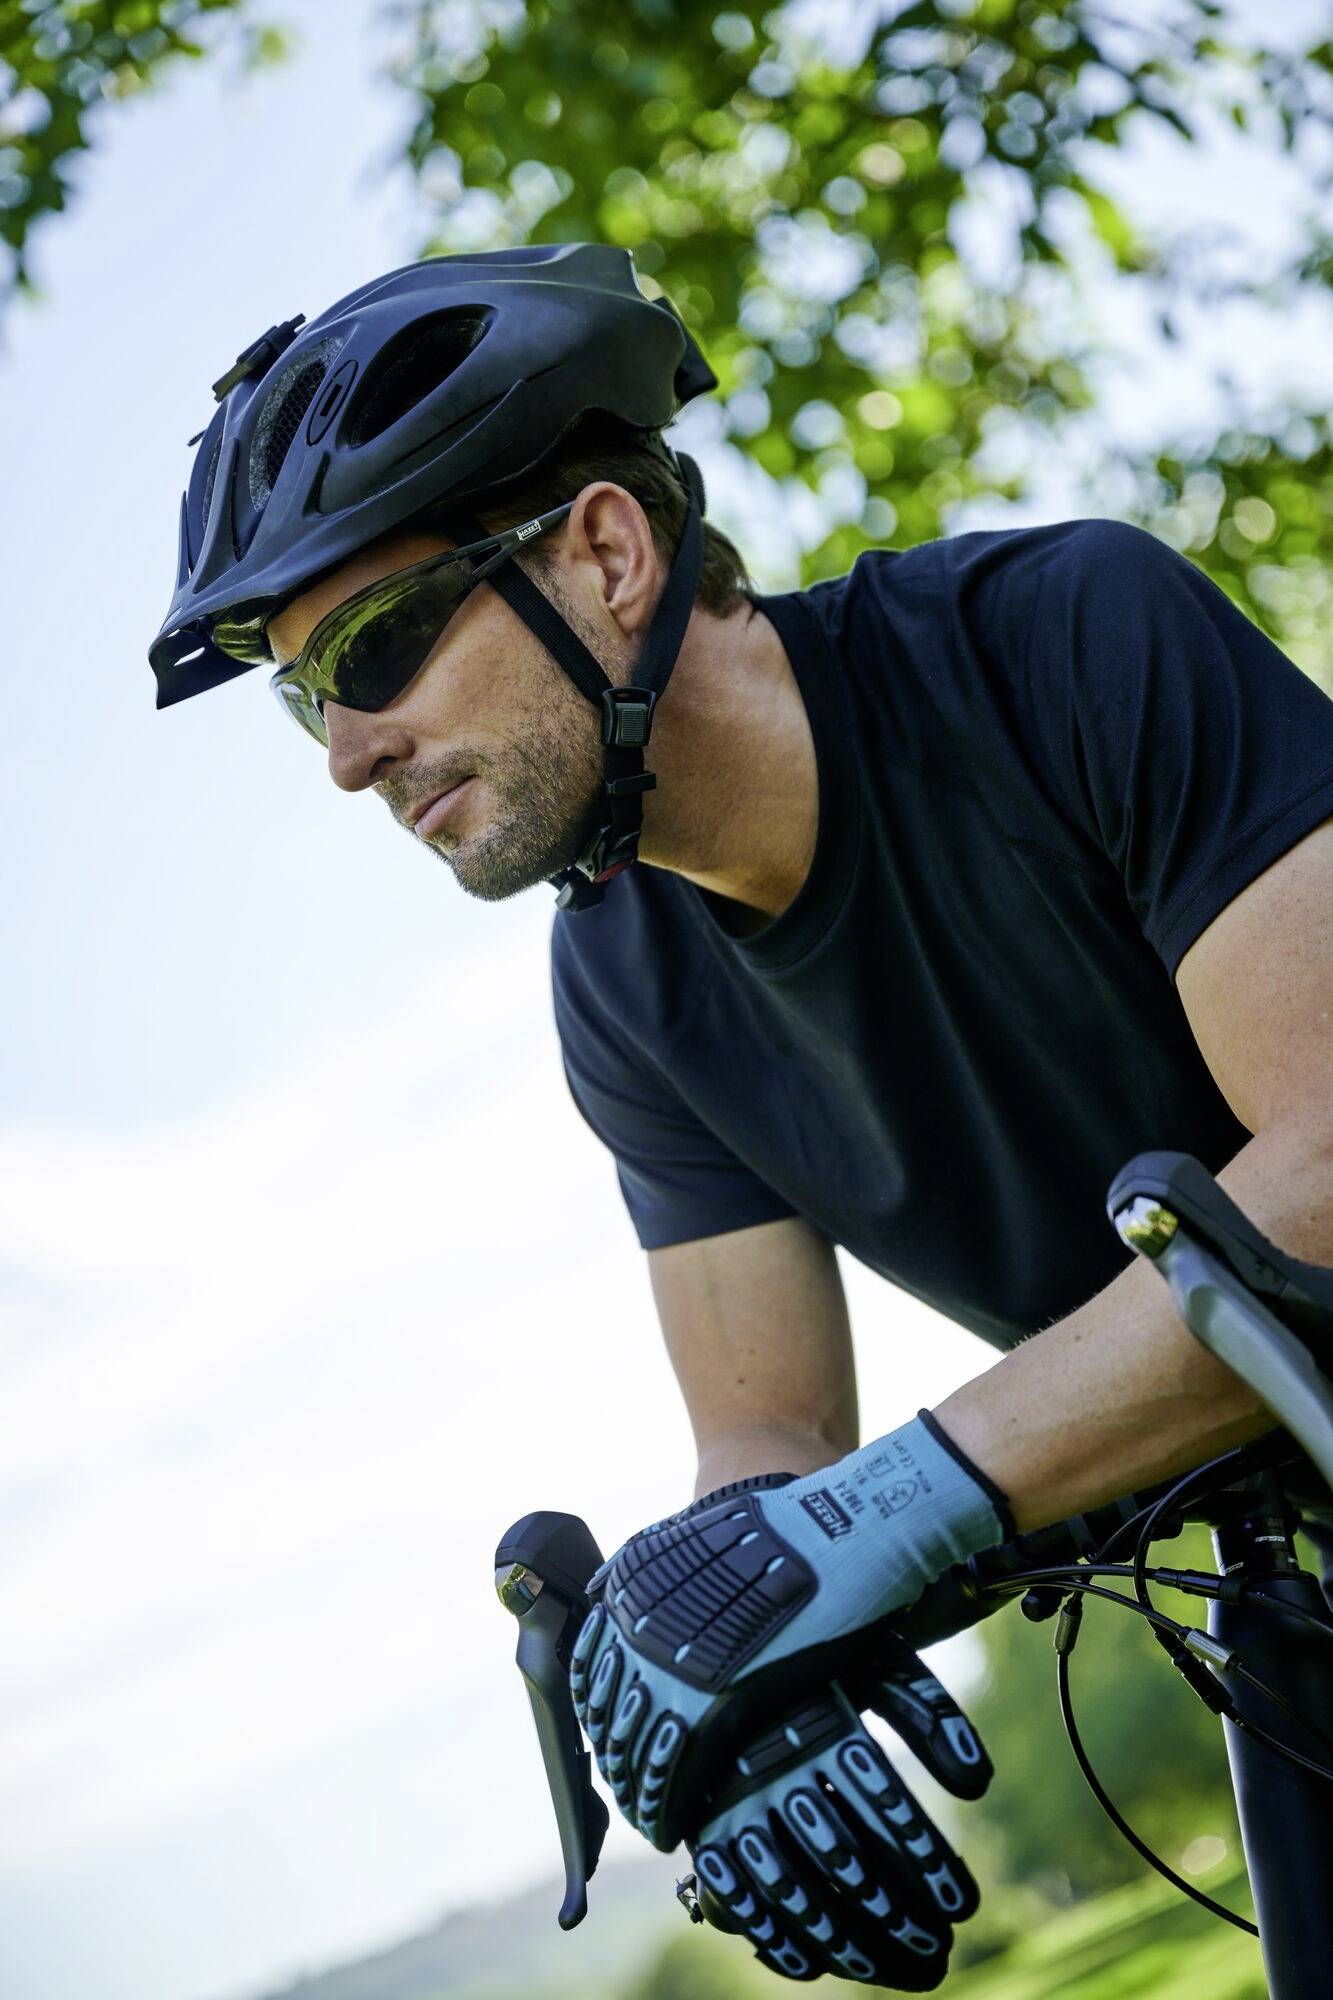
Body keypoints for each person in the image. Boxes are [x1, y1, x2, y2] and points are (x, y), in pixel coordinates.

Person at [148, 243, 1333, 1989]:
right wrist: (732, 1671)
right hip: (1291, 1593)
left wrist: (881, 1524)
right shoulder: (622, 986)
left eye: (381, 646)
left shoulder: (1054, 639)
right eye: (307, 697)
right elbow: (765, 1446)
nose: (347, 751)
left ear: (609, 555)